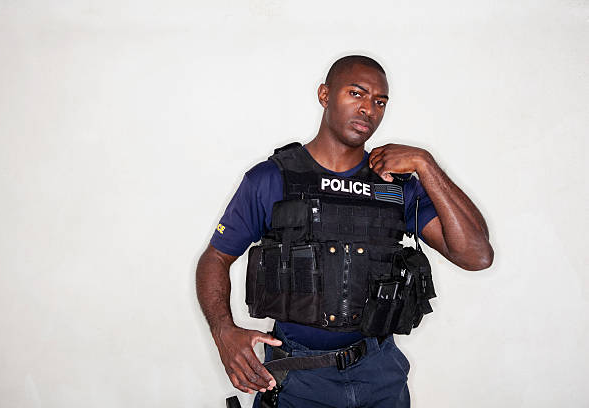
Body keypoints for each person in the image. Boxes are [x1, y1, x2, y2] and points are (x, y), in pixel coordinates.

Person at [196, 55, 493, 408]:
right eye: (357, 93)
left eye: (379, 101)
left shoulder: (396, 186)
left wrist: (426, 165)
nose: (369, 108)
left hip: (379, 373)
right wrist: (222, 330)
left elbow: (477, 255)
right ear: (325, 95)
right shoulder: (272, 178)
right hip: (297, 377)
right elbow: (215, 257)